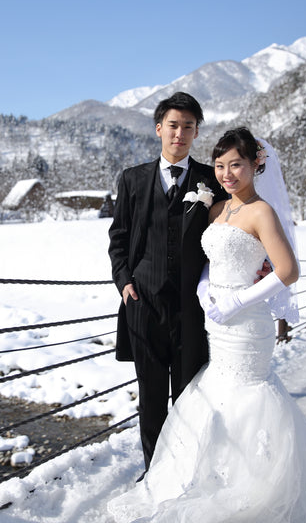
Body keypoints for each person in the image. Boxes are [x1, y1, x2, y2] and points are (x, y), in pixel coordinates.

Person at [108, 127, 306, 522]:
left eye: (236, 165)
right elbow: (209, 259)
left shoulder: (262, 211)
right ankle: (214, 477)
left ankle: (257, 486)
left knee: (249, 395)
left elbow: (289, 270)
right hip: (217, 321)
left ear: (255, 165)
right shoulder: (217, 209)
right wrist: (207, 293)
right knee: (216, 392)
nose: (227, 174)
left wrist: (238, 301)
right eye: (222, 166)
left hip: (247, 324)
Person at [108, 91, 226, 470]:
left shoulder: (211, 179)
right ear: (159, 128)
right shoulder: (132, 179)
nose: (180, 133)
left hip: (194, 307)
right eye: (173, 125)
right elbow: (119, 238)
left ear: (195, 132)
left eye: (188, 127)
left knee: (192, 394)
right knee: (152, 395)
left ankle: (189, 469)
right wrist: (124, 281)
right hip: (143, 304)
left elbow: (228, 231)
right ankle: (154, 471)